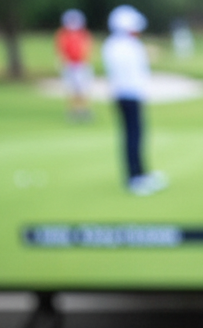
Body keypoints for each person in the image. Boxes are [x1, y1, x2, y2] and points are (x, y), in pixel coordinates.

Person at [102, 5, 166, 195]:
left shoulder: (112, 44)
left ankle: (141, 173)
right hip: (129, 95)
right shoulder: (128, 46)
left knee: (134, 135)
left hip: (123, 96)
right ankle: (135, 177)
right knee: (133, 136)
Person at [55, 10, 93, 121]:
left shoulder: (83, 33)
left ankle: (83, 110)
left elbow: (87, 49)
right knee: (72, 89)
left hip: (81, 64)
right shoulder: (63, 34)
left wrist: (85, 60)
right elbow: (61, 49)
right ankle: (74, 111)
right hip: (69, 64)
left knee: (83, 88)